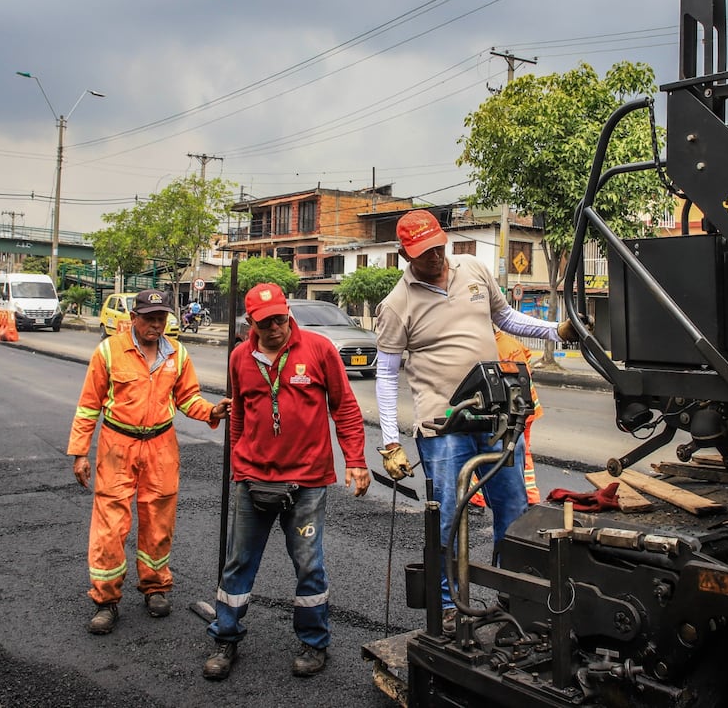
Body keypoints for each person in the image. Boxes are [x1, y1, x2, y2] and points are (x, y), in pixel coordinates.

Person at [373, 209, 585, 626]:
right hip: (442, 426)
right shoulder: (396, 305)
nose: (434, 258)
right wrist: (391, 442)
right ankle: (450, 607)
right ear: (404, 255)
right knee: (449, 514)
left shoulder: (472, 269)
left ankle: (513, 598)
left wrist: (554, 331)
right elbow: (385, 375)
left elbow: (505, 318)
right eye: (422, 253)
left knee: (514, 508)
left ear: (444, 240)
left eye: (437, 248)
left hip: (495, 414)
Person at [203, 283, 370, 682]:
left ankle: (314, 643)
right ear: (251, 324)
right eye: (266, 322)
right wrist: (238, 465)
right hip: (253, 477)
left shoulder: (318, 349)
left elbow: (344, 406)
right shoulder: (240, 358)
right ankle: (226, 637)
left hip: (307, 481)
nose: (276, 327)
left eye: (280, 318)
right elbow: (240, 413)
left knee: (309, 564)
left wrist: (356, 461)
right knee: (238, 564)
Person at [67, 288, 229, 636]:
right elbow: (88, 406)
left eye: (161, 319)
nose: (156, 325)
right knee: (111, 525)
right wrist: (80, 452)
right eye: (150, 319)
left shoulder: (178, 354)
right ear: (134, 318)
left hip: (161, 446)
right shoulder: (109, 352)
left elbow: (188, 398)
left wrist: (212, 411)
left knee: (159, 521)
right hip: (117, 445)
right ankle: (106, 600)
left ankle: (155, 587)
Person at [469, 329, 544, 507]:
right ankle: (531, 496)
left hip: (513, 409)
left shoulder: (492, 348)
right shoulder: (511, 342)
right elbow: (528, 360)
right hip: (528, 407)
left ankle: (477, 499)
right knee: (523, 452)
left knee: (481, 450)